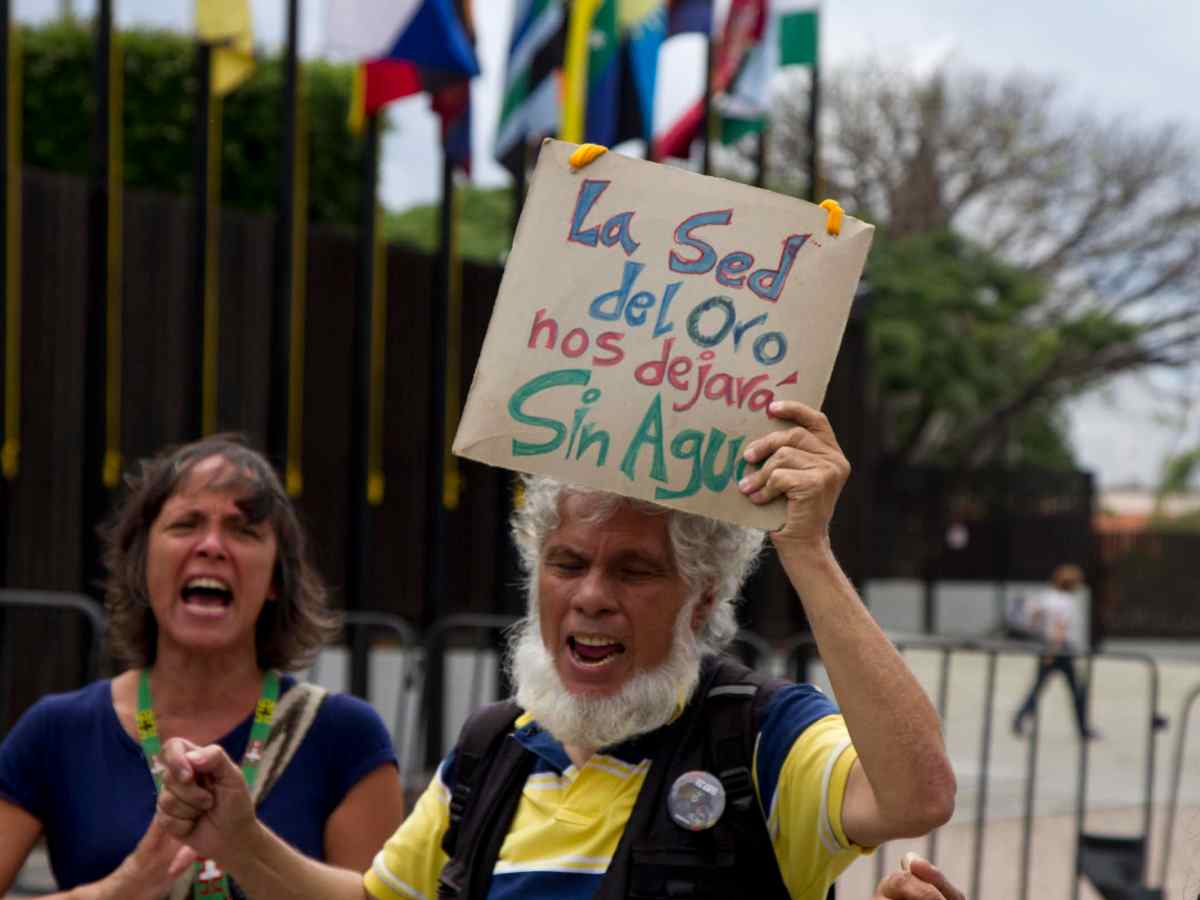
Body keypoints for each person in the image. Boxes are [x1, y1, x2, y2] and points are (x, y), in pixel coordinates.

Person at [154, 402, 957, 899]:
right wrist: (238, 839)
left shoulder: (763, 741)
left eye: (635, 570)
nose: (590, 595)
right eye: (566, 563)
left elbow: (917, 796)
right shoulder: (490, 751)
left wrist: (808, 549)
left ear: (703, 601)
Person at [0, 435, 406, 899]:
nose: (212, 545)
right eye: (185, 524)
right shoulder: (56, 731)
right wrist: (123, 888)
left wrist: (245, 846)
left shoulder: (346, 737)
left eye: (243, 530)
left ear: (276, 579)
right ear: (142, 563)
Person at [1011, 562, 1098, 740]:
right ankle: (1083, 729)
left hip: (1047, 645)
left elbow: (1033, 614)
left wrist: (1038, 628)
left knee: (1038, 686)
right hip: (1060, 649)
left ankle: (1020, 718)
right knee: (1076, 691)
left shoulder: (1046, 597)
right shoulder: (1066, 602)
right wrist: (1054, 650)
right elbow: (1059, 628)